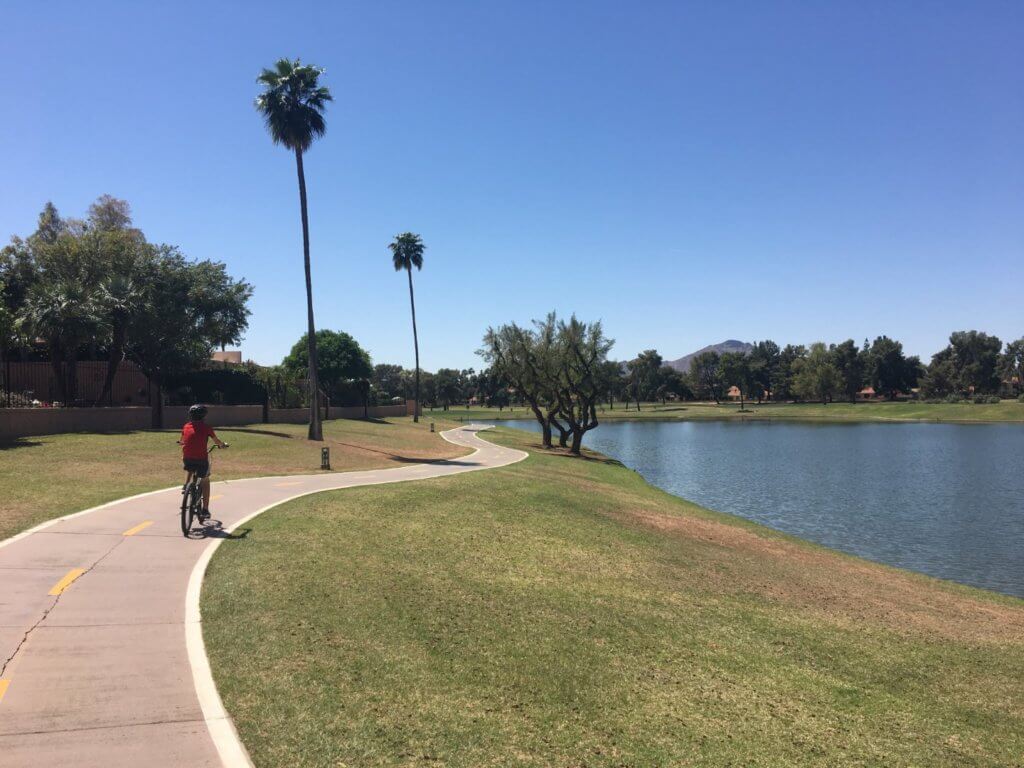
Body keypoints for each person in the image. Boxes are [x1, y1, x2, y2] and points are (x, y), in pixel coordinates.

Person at [178, 404, 227, 521]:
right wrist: (222, 445)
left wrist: (182, 443)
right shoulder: (207, 427)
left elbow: (182, 441)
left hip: (187, 458)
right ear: (204, 416)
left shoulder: (186, 426)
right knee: (205, 480)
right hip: (201, 459)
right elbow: (217, 441)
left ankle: (186, 485)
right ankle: (205, 509)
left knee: (190, 465)